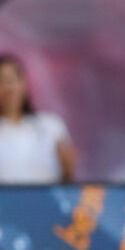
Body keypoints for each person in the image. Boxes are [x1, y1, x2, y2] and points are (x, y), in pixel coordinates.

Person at [0, 54, 76, 184]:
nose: (10, 89)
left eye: (13, 80)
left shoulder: (51, 126)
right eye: (2, 82)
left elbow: (66, 185)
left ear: (24, 84)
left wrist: (68, 170)